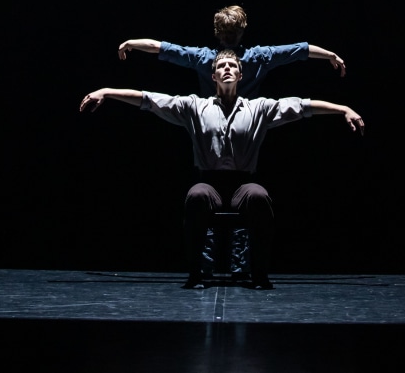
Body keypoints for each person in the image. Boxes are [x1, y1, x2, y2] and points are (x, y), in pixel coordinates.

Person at [80, 49, 364, 290]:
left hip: (242, 184)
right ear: (213, 75)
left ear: (240, 76)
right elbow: (148, 99)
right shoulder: (193, 106)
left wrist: (343, 109)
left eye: (232, 66)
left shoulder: (259, 108)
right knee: (196, 196)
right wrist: (106, 91)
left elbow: (303, 107)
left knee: (259, 196)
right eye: (220, 66)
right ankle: (195, 273)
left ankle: (260, 273)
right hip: (210, 183)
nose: (226, 69)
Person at [118, 4, 346, 99]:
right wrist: (133, 43)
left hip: (247, 120)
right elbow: (164, 48)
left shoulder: (257, 56)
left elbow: (298, 50)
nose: (229, 37)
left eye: (232, 33)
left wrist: (328, 55)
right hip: (212, 118)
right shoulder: (205, 57)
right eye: (227, 33)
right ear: (219, 33)